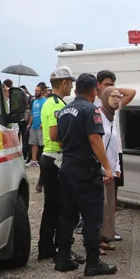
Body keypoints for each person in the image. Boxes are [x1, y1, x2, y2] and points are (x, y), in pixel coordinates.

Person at [54, 73, 118, 276]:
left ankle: (63, 257)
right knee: (92, 216)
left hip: (67, 167)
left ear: (75, 90)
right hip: (85, 170)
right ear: (94, 91)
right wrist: (107, 167)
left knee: (68, 215)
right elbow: (94, 140)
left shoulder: (64, 110)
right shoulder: (91, 110)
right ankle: (93, 261)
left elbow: (58, 139)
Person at [37, 66, 85, 263]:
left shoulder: (53, 102)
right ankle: (55, 247)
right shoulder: (56, 104)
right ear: (64, 83)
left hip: (50, 158)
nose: (72, 87)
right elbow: (55, 135)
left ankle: (47, 247)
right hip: (55, 158)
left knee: (52, 206)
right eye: (71, 83)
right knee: (60, 207)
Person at [95, 70, 136, 241]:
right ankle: (97, 230)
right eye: (106, 84)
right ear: (97, 85)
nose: (111, 89)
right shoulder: (96, 105)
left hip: (116, 152)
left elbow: (132, 93)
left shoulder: (115, 101)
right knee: (99, 195)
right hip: (101, 153)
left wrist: (114, 91)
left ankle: (110, 228)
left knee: (113, 194)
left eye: (113, 84)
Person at [99, 86, 122, 252]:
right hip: (101, 169)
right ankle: (97, 239)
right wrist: (104, 168)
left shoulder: (113, 117)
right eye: (113, 96)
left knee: (109, 205)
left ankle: (107, 236)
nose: (117, 99)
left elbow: (115, 145)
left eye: (118, 96)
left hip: (111, 169)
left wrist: (117, 166)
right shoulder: (98, 116)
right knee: (101, 205)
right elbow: (97, 144)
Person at [27, 83, 46, 168]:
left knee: (42, 144)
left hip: (41, 126)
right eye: (35, 90)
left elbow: (45, 113)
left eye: (37, 91)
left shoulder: (45, 101)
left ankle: (43, 161)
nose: (35, 92)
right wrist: (29, 124)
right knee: (33, 143)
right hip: (34, 126)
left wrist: (43, 123)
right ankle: (34, 161)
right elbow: (32, 114)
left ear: (42, 91)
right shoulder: (34, 101)